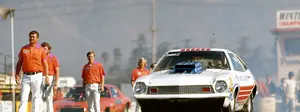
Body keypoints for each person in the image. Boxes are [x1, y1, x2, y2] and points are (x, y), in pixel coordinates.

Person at [15, 30, 49, 112]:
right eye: (30, 36)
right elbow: (19, 62)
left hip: (37, 76)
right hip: (25, 76)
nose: (31, 38)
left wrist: (46, 76)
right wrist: (17, 74)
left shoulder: (41, 50)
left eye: (33, 37)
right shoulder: (24, 48)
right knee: (23, 96)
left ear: (37, 39)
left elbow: (45, 63)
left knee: (36, 97)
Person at [41, 42, 60, 112]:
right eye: (42, 49)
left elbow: (57, 70)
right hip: (40, 77)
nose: (43, 50)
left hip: (50, 77)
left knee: (48, 97)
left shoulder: (53, 57)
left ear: (49, 50)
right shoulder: (40, 57)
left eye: (45, 49)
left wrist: (56, 83)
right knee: (40, 97)